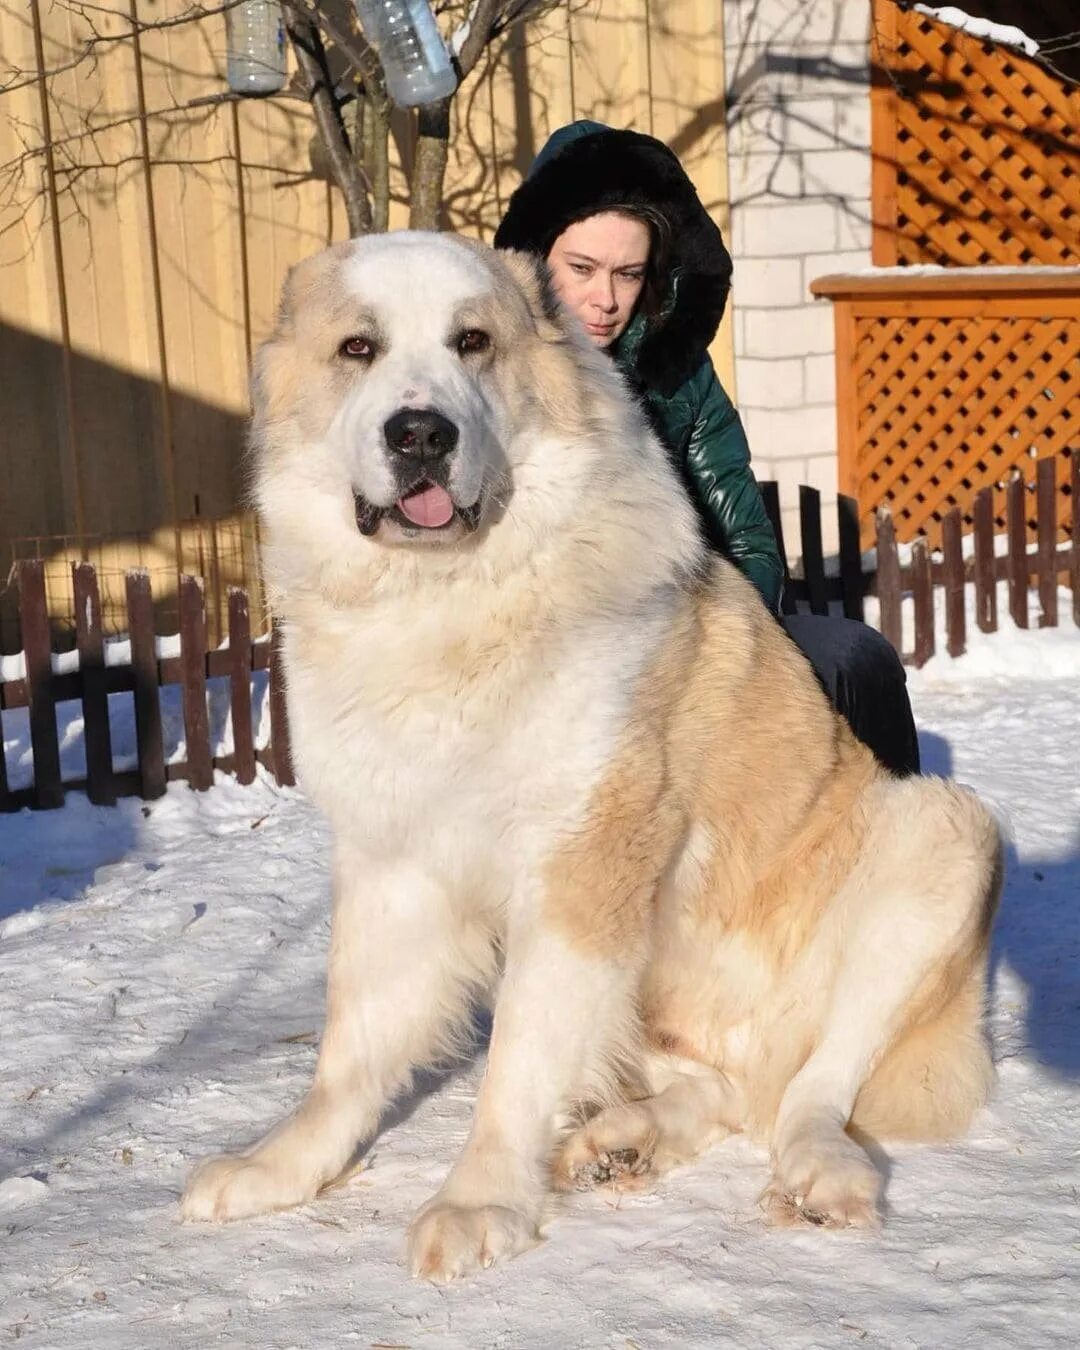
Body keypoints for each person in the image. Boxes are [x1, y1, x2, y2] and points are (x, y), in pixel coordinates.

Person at [494, 120, 920, 776]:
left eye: (627, 273)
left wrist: (721, 659)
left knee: (856, 658)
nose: (605, 299)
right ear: (535, 256)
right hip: (544, 662)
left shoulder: (679, 372)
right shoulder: (486, 376)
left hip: (694, 629)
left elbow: (747, 541)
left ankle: (880, 853)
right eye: (582, 268)